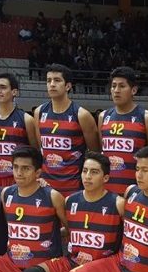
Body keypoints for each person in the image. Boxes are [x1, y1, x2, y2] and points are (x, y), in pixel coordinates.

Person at [36, 64, 100, 196]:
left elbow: (95, 152)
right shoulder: (39, 112)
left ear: (68, 86)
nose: (52, 84)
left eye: (57, 80)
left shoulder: (82, 115)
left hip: (74, 186)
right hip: (45, 185)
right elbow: (40, 148)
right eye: (49, 81)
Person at [98, 66, 148, 195]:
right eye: (113, 86)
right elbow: (101, 153)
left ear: (133, 90)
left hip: (136, 192)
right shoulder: (103, 117)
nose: (116, 90)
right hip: (106, 192)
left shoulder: (147, 117)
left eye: (122, 86)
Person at [0, 73, 38, 187]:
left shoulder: (27, 119)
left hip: (18, 180)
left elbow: (35, 152)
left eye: (3, 87)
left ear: (14, 92)